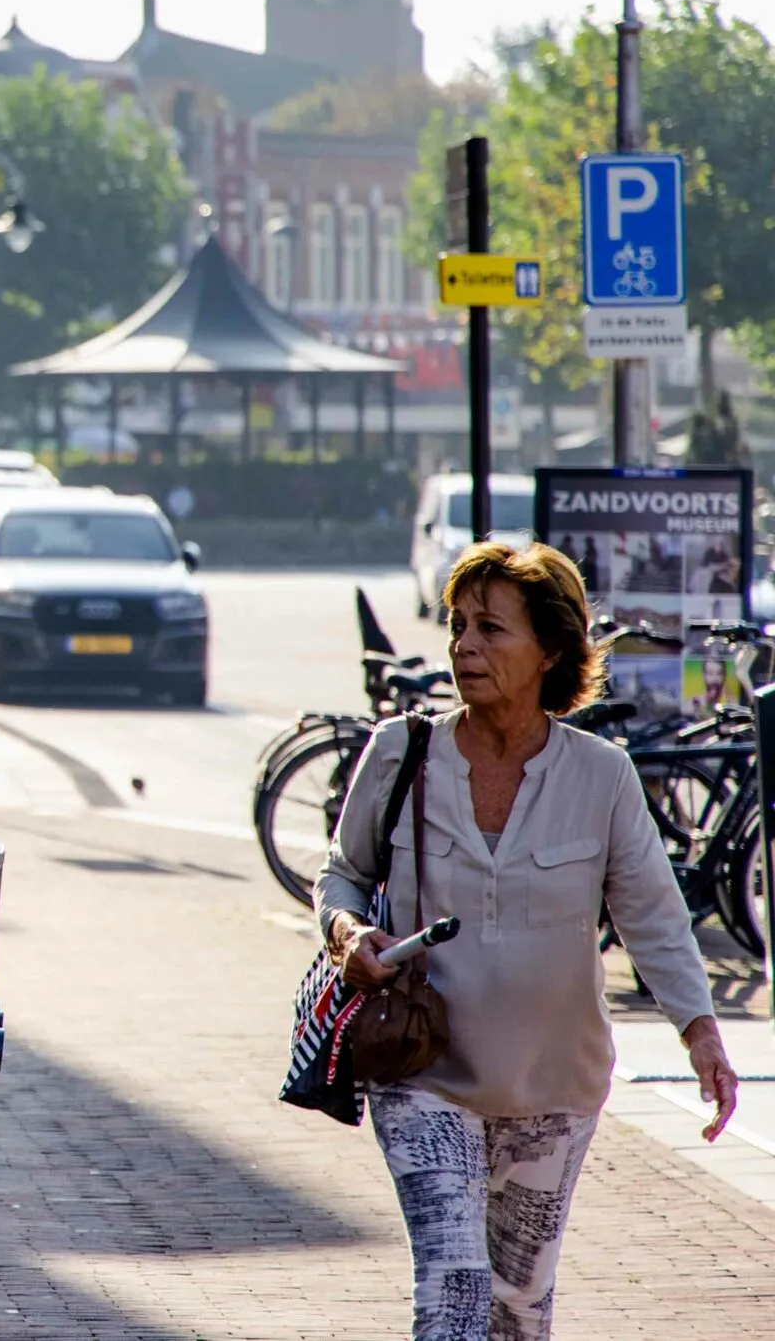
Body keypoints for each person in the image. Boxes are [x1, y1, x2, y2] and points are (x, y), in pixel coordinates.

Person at [323, 541, 741, 1341]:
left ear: (550, 650)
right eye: (457, 626)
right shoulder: (402, 753)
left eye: (490, 629)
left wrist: (701, 1032)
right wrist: (348, 930)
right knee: (452, 1292)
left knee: (517, 1310)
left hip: (553, 1089)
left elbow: (653, 913)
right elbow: (342, 874)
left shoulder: (603, 775)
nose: (464, 647)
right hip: (423, 1073)